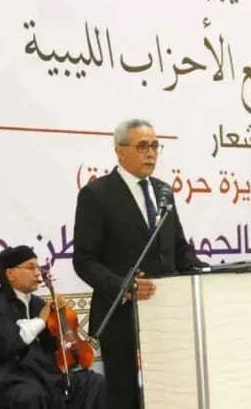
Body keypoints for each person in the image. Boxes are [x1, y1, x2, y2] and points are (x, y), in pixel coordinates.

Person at [73, 119, 208, 409]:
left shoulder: (163, 191)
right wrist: (122, 285)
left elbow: (178, 248)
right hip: (122, 317)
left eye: (155, 146)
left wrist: (204, 271)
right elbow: (84, 260)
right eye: (143, 146)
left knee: (169, 396)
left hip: (167, 315)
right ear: (120, 150)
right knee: (126, 399)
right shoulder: (96, 195)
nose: (151, 153)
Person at [0, 246, 106, 409]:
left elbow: (51, 347)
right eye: (30, 268)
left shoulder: (38, 304)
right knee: (31, 396)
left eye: (37, 267)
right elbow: (6, 346)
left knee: (95, 383)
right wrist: (41, 320)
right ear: (10, 274)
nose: (37, 273)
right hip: (5, 377)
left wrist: (61, 321)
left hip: (41, 372)